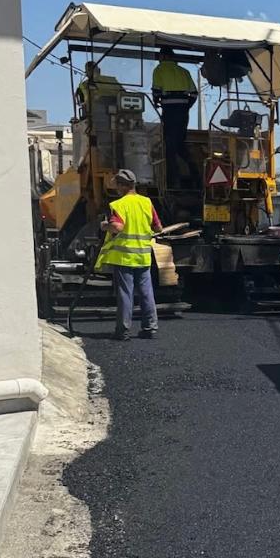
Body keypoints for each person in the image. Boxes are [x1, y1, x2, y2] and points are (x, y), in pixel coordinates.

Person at [96, 169, 164, 340]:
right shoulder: (146, 202)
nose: (116, 189)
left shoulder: (119, 205)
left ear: (122, 186)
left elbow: (117, 227)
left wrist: (105, 226)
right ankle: (150, 328)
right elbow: (158, 228)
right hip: (143, 256)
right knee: (146, 292)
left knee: (126, 294)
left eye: (117, 185)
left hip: (125, 258)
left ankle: (123, 330)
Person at [152, 46, 200, 188]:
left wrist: (157, 102)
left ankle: (173, 181)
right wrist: (186, 106)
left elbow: (156, 92)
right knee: (180, 144)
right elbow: (194, 94)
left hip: (169, 111)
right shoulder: (184, 72)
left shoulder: (159, 70)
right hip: (183, 112)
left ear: (163, 57)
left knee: (169, 146)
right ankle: (196, 175)